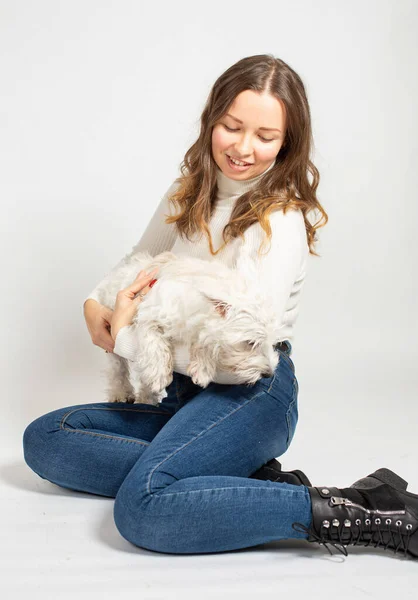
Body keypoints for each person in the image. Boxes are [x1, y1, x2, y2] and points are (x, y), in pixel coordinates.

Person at [23, 54, 417, 559]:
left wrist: (126, 338)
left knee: (144, 509)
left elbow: (238, 363)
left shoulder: (280, 223)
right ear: (212, 119)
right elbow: (138, 260)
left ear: (287, 143)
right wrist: (94, 303)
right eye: (232, 127)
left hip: (249, 390)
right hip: (181, 392)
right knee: (47, 439)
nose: (244, 149)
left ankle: (358, 510)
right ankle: (223, 477)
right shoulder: (187, 192)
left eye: (266, 137)